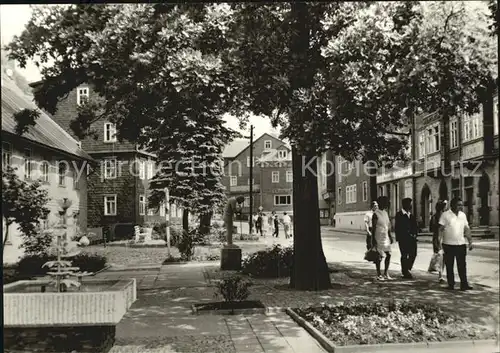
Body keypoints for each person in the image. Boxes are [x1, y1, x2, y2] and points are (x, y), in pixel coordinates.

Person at [439, 197, 474, 291]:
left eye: (461, 205)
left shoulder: (463, 215)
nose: (461, 207)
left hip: (461, 244)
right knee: (449, 265)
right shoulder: (445, 215)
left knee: (462, 265)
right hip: (448, 244)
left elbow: (467, 229)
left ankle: (464, 284)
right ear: (452, 205)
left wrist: (470, 241)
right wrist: (439, 242)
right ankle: (451, 284)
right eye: (458, 205)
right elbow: (440, 229)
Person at [395, 198, 418, 279]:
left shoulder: (411, 215)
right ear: (405, 205)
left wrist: (415, 234)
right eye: (409, 204)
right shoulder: (399, 215)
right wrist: (399, 238)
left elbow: (415, 226)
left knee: (413, 254)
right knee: (404, 255)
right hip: (403, 239)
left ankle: (407, 269)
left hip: (412, 239)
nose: (411, 205)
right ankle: (405, 272)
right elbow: (398, 227)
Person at [372, 196, 394, 281]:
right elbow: (373, 228)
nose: (387, 204)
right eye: (385, 202)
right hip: (378, 235)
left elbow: (387, 226)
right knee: (379, 256)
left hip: (385, 236)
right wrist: (373, 240)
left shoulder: (385, 213)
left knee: (389, 254)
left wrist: (390, 236)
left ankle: (386, 273)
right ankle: (378, 274)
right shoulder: (375, 214)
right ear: (381, 203)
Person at [429, 200, 446, 283]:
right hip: (442, 238)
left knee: (439, 256)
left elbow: (430, 228)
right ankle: (441, 275)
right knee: (442, 257)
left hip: (436, 237)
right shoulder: (443, 216)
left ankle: (440, 274)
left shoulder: (434, 216)